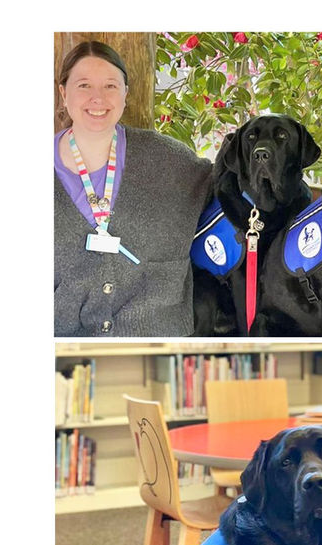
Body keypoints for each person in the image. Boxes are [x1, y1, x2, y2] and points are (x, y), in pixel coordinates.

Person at [54, 41, 212, 336]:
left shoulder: (167, 159)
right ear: (64, 93)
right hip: (63, 345)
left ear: (125, 93)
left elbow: (230, 184)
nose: (97, 98)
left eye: (111, 86)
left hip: (155, 342)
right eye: (84, 85)